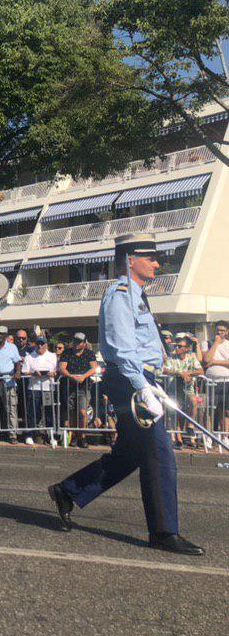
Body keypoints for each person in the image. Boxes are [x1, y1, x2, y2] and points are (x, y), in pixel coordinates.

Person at [49, 233, 203, 555]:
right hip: (129, 380)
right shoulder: (120, 294)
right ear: (130, 259)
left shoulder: (137, 295)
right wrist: (142, 386)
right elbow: (120, 348)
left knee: (131, 454)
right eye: (151, 257)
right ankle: (163, 531)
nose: (157, 263)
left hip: (140, 378)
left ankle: (69, 491)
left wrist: (152, 380)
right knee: (159, 453)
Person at [163, 335, 204, 449]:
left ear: (187, 348)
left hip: (187, 388)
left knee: (193, 401)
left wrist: (188, 373)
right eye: (176, 345)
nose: (177, 348)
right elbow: (165, 369)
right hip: (174, 389)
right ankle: (178, 439)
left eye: (180, 346)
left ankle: (190, 426)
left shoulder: (191, 357)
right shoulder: (172, 357)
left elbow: (201, 370)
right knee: (176, 411)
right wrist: (179, 373)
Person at [59, 332, 98, 448]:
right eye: (75, 340)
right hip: (68, 385)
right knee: (71, 412)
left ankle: (83, 436)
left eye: (79, 341)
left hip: (84, 386)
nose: (76, 343)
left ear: (84, 343)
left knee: (83, 412)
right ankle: (74, 435)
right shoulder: (67, 353)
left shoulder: (89, 353)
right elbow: (61, 368)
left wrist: (83, 377)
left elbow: (94, 368)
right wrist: (71, 376)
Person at [21, 336, 58, 446]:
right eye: (38, 343)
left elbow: (57, 371)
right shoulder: (29, 356)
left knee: (49, 413)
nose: (40, 346)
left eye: (42, 343)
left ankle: (51, 436)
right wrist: (33, 373)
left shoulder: (53, 356)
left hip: (48, 388)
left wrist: (53, 374)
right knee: (32, 413)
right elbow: (24, 371)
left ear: (46, 344)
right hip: (34, 388)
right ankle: (29, 435)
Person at [201, 320, 229, 435]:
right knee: (209, 409)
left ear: (227, 332)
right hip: (210, 381)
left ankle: (224, 435)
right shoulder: (207, 343)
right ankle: (208, 435)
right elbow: (206, 360)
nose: (220, 332)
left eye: (222, 331)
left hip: (226, 380)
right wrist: (216, 343)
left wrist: (215, 362)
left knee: (224, 410)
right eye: (218, 330)